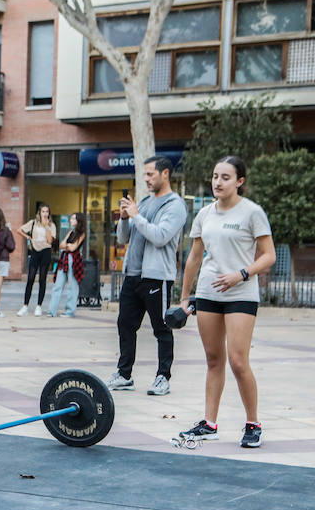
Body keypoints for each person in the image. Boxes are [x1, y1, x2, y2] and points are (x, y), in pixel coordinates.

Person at [174, 156, 276, 448]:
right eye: (215, 176)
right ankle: (209, 423)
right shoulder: (205, 213)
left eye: (225, 177)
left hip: (241, 293)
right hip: (208, 292)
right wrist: (184, 297)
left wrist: (241, 274)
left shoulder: (252, 213)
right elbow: (194, 257)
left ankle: (253, 423)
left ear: (240, 182)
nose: (218, 182)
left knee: (238, 361)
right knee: (213, 359)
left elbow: (269, 255)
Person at [108, 157, 188, 396]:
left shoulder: (175, 205)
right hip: (132, 276)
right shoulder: (142, 203)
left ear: (165, 173)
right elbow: (123, 238)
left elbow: (161, 236)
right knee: (125, 325)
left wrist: (136, 216)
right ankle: (124, 375)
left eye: (150, 174)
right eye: (144, 175)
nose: (146, 179)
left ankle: (163, 377)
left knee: (162, 328)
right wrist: (124, 218)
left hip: (156, 277)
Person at [14, 203, 55, 317]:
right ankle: (25, 306)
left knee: (42, 279)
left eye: (47, 211)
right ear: (39, 213)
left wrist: (47, 227)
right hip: (35, 252)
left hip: (46, 252)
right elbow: (19, 230)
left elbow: (50, 241)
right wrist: (28, 237)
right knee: (30, 278)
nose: (45, 213)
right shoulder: (33, 223)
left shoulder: (51, 225)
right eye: (43, 211)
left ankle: (39, 306)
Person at [46, 214, 86, 318]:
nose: (71, 220)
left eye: (73, 218)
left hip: (74, 260)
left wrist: (67, 246)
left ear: (78, 221)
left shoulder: (82, 234)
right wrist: (68, 246)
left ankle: (70, 311)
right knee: (57, 285)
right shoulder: (70, 232)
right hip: (64, 259)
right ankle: (51, 311)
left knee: (73, 286)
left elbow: (73, 247)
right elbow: (61, 245)